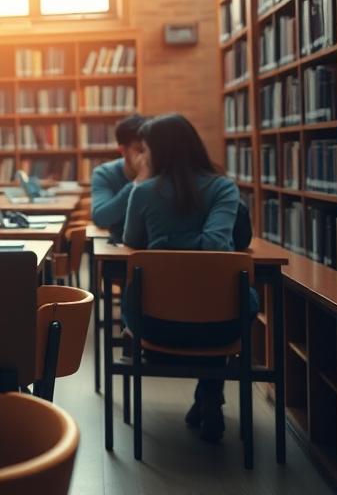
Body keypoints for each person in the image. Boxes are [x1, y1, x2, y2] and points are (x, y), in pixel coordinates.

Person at [122, 113, 254, 444]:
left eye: (145, 149)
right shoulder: (223, 187)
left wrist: (164, 244)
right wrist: (191, 240)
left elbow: (131, 241)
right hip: (221, 327)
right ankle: (210, 394)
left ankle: (206, 395)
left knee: (158, 297)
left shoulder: (143, 191)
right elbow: (215, 245)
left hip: (155, 324)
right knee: (228, 299)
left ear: (159, 150)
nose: (142, 157)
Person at [89, 114, 147, 242]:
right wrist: (138, 182)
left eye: (148, 149)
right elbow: (101, 218)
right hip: (120, 246)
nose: (146, 156)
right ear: (123, 151)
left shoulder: (162, 171)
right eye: (140, 150)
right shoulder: (105, 173)